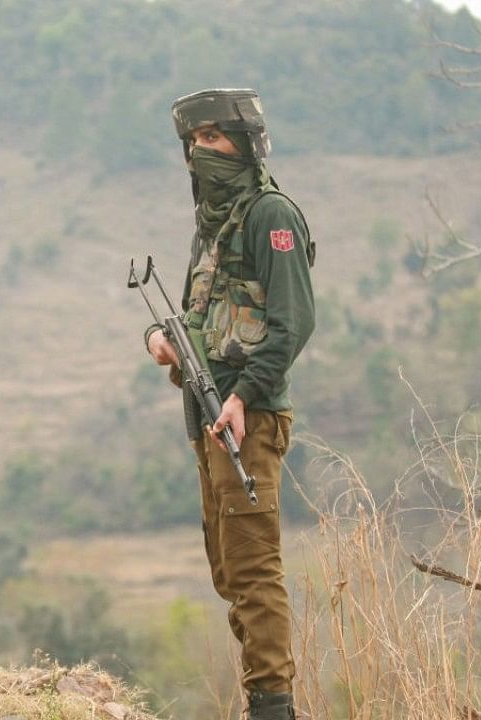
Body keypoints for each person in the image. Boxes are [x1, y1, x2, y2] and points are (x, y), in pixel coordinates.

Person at [143, 88, 314, 720]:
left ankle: (273, 708)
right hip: (208, 419)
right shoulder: (211, 229)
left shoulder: (273, 216)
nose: (200, 151)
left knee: (254, 571)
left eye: (213, 138)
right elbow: (197, 319)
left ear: (244, 143)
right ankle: (259, 700)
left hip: (251, 419)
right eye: (194, 140)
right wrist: (161, 342)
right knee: (229, 573)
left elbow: (293, 324)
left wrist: (243, 396)